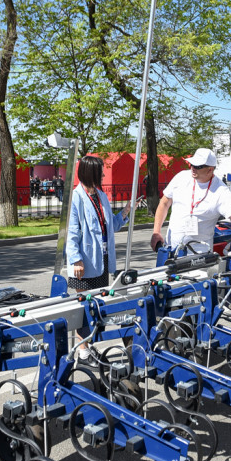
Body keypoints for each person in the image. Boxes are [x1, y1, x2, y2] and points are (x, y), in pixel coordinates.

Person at [151, 148, 231, 261]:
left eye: (198, 166)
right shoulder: (181, 178)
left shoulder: (221, 191)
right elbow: (164, 203)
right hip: (170, 249)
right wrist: (156, 232)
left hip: (198, 255)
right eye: (192, 164)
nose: (193, 168)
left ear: (210, 169)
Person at [67, 155, 134, 363]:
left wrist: (125, 212)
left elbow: (111, 225)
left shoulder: (101, 195)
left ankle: (88, 347)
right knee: (85, 309)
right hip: (84, 262)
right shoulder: (76, 197)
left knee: (96, 307)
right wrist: (75, 259)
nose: (103, 175)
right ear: (90, 173)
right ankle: (83, 352)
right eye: (100, 172)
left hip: (101, 261)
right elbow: (72, 231)